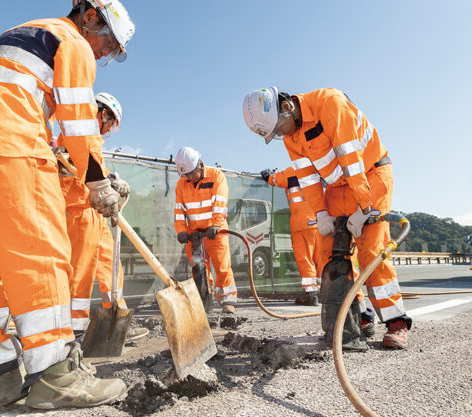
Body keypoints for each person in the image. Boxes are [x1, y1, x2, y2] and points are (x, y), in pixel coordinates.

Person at [0, 0, 135, 410]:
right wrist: (98, 182)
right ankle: (56, 377)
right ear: (90, 16)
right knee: (41, 257)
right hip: (13, 149)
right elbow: (80, 125)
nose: (103, 53)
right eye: (108, 43)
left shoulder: (27, 33)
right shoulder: (72, 42)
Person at [243, 87, 411, 349]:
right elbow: (308, 178)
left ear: (286, 107)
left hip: (370, 176)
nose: (280, 135)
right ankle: (358, 318)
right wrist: (321, 214)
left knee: (370, 252)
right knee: (329, 252)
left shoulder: (330, 104)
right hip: (337, 188)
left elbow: (351, 160)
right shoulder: (291, 137)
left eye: (278, 128)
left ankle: (396, 322)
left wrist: (364, 209)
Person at [55, 92, 130, 341]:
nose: (108, 130)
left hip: (95, 213)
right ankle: (74, 332)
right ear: (103, 113)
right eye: (110, 124)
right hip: (79, 210)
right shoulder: (77, 130)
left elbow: (92, 169)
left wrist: (113, 182)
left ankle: (116, 322)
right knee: (81, 274)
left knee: (111, 268)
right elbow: (73, 166)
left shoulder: (91, 137)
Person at [174, 147, 238, 314]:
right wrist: (181, 230)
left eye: (190, 174)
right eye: (185, 175)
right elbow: (179, 210)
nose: (188, 177)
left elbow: (220, 202)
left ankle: (227, 301)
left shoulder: (216, 176)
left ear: (200, 165)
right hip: (194, 235)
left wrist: (215, 225)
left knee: (222, 266)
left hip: (215, 231)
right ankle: (204, 303)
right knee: (199, 270)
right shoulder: (182, 184)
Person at [260, 167, 320, 305]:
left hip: (301, 223)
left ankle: (311, 295)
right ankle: (325, 293)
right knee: (321, 259)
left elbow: (274, 180)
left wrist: (267, 175)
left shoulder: (292, 171)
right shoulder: (319, 170)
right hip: (320, 221)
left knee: (305, 258)